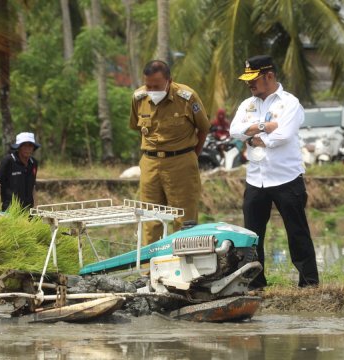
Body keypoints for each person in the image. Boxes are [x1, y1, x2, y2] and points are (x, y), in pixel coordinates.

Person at [229, 55, 319, 289]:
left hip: (286, 178)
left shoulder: (289, 103)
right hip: (255, 179)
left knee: (297, 233)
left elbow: (283, 136)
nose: (249, 84)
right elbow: (235, 131)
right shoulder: (247, 104)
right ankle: (256, 283)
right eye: (247, 79)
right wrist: (262, 127)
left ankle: (309, 284)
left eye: (254, 79)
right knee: (252, 236)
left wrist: (256, 139)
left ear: (269, 76)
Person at [129, 60, 210, 245]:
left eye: (156, 86)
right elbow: (136, 126)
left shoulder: (187, 97)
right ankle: (150, 267)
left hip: (181, 162)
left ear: (169, 81)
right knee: (150, 218)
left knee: (184, 219)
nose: (151, 90)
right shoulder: (138, 98)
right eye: (148, 85)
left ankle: (186, 268)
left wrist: (190, 156)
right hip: (150, 164)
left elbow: (203, 128)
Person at [0, 132, 39, 211]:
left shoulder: (33, 163)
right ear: (19, 147)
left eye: (30, 145)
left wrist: (36, 207)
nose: (27, 148)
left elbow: (33, 187)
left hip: (28, 210)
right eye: (24, 145)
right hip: (10, 209)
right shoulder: (9, 161)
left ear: (33, 147)